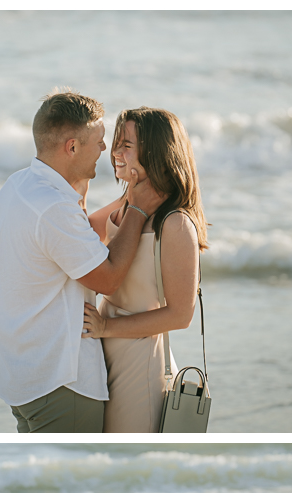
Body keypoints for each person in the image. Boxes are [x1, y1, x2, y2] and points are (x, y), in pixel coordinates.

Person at [0, 90, 166, 434]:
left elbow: (76, 242)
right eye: (99, 141)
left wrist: (106, 195)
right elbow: (108, 279)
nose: (106, 150)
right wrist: (140, 208)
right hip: (60, 382)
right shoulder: (54, 208)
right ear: (71, 147)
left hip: (22, 379)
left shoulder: (18, 186)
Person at [82, 108, 210, 433]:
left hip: (139, 364)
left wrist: (106, 327)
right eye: (115, 143)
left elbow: (181, 315)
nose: (115, 153)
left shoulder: (176, 223)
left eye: (126, 144)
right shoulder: (128, 203)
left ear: (155, 151)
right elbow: (82, 232)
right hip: (105, 351)